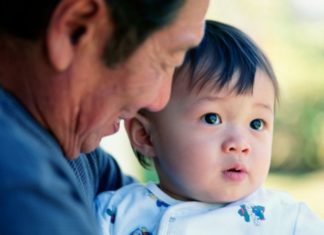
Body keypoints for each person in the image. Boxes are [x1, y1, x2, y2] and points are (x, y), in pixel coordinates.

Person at [95, 20, 324, 235]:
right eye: (212, 118)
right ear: (145, 135)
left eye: (256, 123)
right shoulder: (114, 213)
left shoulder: (289, 220)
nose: (240, 144)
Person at [0, 0, 209, 234]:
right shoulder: (23, 192)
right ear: (75, 29)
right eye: (166, 62)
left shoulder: (80, 158)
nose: (159, 100)